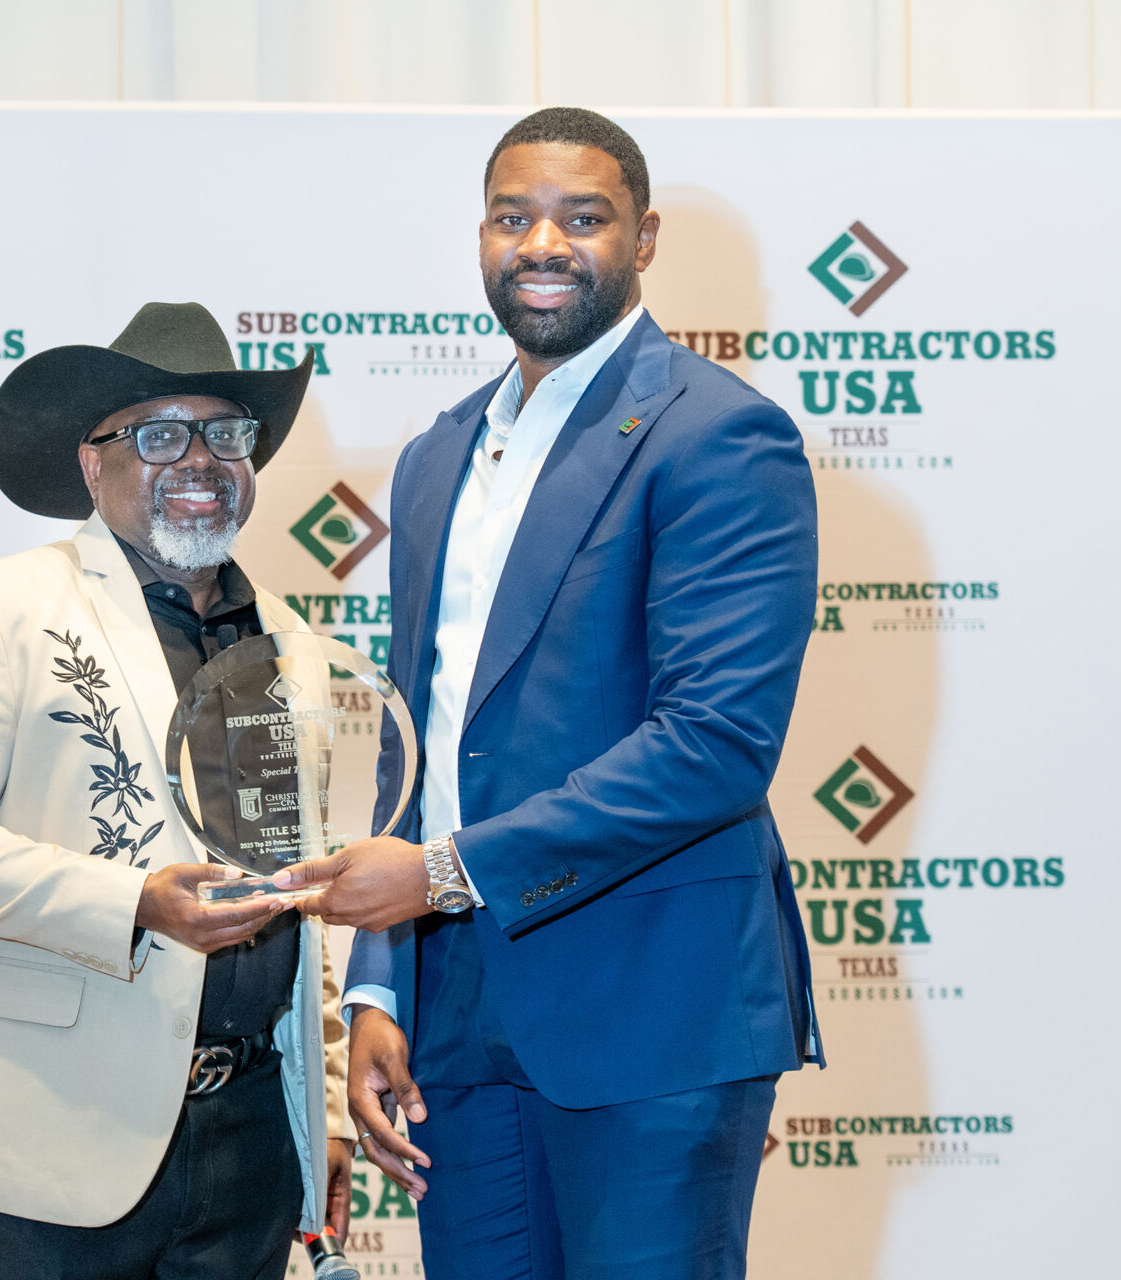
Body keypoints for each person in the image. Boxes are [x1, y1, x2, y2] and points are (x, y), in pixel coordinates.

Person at [276, 108, 824, 1279]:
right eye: (513, 216)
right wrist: (379, 983)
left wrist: (439, 873)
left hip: (652, 1008)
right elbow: (418, 747)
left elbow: (716, 743)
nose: (543, 245)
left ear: (644, 238)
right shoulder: (436, 456)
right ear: (481, 234)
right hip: (457, 1019)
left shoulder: (720, 434)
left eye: (584, 218)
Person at [0, 301, 354, 1280]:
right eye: (160, 434)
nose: (201, 460)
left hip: (253, 1142)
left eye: (226, 433)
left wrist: (326, 1105)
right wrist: (135, 901)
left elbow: (298, 887)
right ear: (95, 466)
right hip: (42, 1141)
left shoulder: (293, 643)